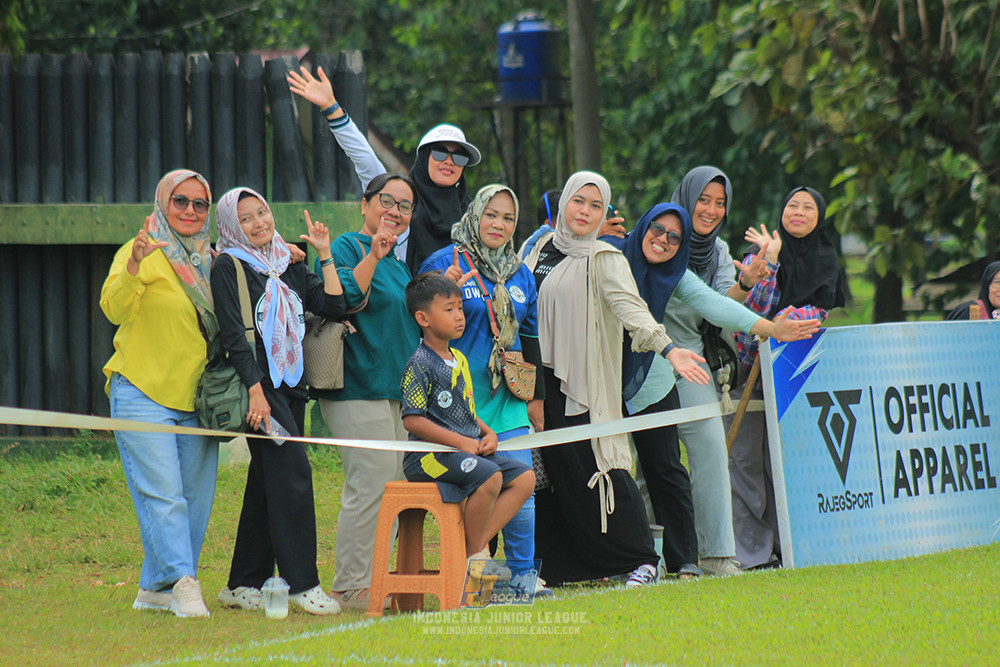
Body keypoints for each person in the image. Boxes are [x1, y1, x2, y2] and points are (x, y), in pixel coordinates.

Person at [606, 203, 819, 578]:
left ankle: (696, 559)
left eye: (676, 237)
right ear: (643, 226)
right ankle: (623, 560)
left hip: (658, 373)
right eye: (658, 229)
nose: (664, 241)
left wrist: (770, 329)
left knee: (667, 469)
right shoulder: (609, 257)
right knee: (615, 470)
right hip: (600, 374)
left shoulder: (678, 273)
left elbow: (716, 305)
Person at [521, 171, 711, 587]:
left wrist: (668, 347)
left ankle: (642, 559)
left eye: (596, 206)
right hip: (535, 379)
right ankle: (553, 566)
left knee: (600, 466)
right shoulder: (535, 248)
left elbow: (633, 309)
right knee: (551, 472)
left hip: (581, 383)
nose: (585, 212)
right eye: (579, 202)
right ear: (564, 202)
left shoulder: (605, 259)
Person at [211, 187, 345, 614]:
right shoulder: (228, 265)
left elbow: (334, 306)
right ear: (233, 225)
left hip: (292, 385)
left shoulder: (288, 262)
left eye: (262, 212)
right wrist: (255, 392)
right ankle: (300, 583)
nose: (258, 223)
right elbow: (233, 334)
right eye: (246, 218)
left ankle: (241, 582)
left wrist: (323, 253)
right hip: (260, 390)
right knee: (292, 475)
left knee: (267, 481)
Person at [420, 184, 549, 597]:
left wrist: (537, 398)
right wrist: (446, 286)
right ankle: (470, 570)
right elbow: (421, 324)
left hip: (509, 399)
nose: (499, 224)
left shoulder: (520, 273)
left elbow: (530, 339)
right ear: (475, 215)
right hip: (460, 404)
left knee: (523, 490)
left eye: (508, 218)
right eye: (491, 214)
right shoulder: (445, 261)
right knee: (479, 490)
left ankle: (522, 578)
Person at [100, 169, 217, 617]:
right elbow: (113, 308)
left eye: (199, 204)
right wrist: (134, 263)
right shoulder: (142, 249)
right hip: (140, 389)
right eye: (180, 201)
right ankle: (184, 585)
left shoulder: (215, 258)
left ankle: (153, 587)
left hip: (197, 400)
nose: (189, 211)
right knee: (163, 495)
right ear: (162, 203)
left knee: (194, 500)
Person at [308, 173, 421, 610]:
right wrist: (372, 255)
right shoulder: (347, 248)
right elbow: (345, 299)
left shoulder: (398, 262)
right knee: (370, 483)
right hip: (356, 384)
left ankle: (375, 579)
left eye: (405, 206)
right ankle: (350, 584)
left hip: (396, 390)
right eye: (387, 201)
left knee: (393, 486)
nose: (395, 211)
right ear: (365, 204)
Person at [659, 165, 773, 577]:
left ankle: (716, 555)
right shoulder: (661, 236)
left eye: (719, 203)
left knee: (709, 444)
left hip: (693, 355)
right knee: (649, 458)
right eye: (703, 199)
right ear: (686, 197)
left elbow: (721, 302)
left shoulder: (718, 250)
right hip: (644, 352)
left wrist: (746, 283)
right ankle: (651, 556)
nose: (710, 210)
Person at [728, 186, 846, 570]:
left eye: (808, 207)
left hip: (792, 379)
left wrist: (785, 323)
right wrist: (771, 264)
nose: (798, 212)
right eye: (791, 204)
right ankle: (752, 553)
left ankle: (786, 546)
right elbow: (746, 314)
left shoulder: (826, 258)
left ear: (820, 217)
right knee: (744, 461)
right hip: (743, 371)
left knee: (781, 463)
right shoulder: (761, 253)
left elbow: (816, 314)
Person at [400, 272, 535, 569]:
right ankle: (475, 555)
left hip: (465, 452)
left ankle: (467, 547)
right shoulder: (420, 363)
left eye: (460, 308)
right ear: (423, 318)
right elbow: (412, 421)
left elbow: (469, 410)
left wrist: (488, 433)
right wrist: (461, 441)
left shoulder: (459, 358)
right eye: (449, 310)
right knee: (490, 476)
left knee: (525, 477)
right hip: (429, 457)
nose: (459, 316)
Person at [288, 66, 481, 272]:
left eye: (459, 157)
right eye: (440, 153)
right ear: (424, 157)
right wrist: (331, 107)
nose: (449, 161)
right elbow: (365, 158)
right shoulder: (402, 201)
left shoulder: (473, 217)